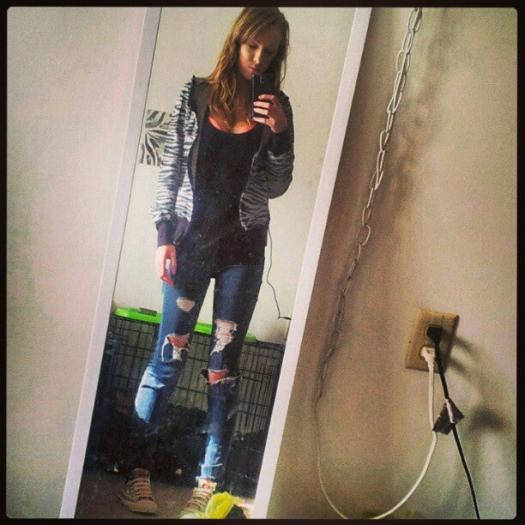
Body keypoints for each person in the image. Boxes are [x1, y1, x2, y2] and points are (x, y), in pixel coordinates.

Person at [119, 7, 294, 517]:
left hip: (243, 253)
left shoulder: (277, 107)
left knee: (223, 371)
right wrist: (162, 236)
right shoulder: (196, 94)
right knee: (166, 359)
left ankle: (207, 488)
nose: (257, 57)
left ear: (277, 55)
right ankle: (137, 476)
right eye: (251, 46)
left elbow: (277, 185)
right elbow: (171, 167)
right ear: (236, 41)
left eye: (268, 51)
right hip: (189, 246)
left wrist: (281, 133)